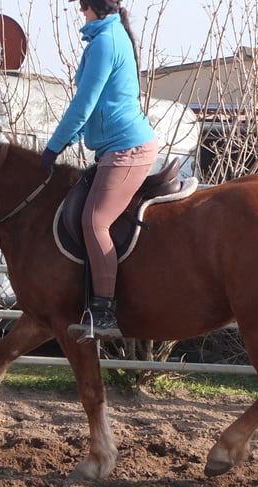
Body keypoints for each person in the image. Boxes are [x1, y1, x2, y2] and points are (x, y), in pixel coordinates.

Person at [41, 0, 158, 339]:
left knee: (95, 220)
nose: (80, 12)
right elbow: (92, 109)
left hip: (127, 149)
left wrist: (52, 148)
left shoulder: (105, 42)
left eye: (82, 6)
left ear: (92, 6)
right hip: (114, 148)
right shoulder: (106, 36)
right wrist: (68, 139)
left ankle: (103, 312)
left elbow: (84, 104)